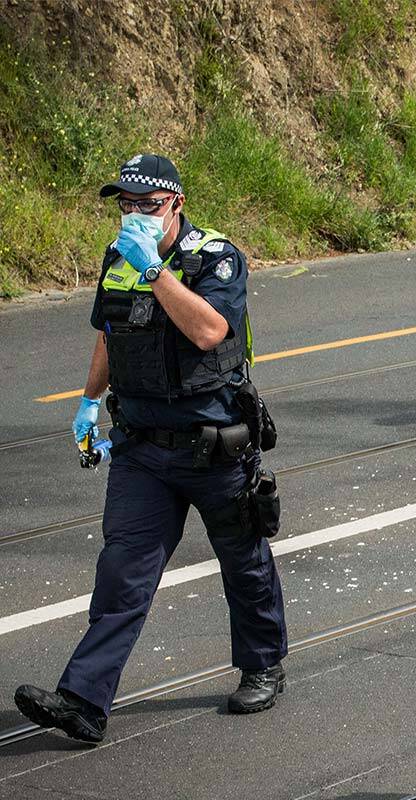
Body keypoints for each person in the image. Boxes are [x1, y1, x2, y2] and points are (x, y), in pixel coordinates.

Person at [13, 154, 287, 744]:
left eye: (149, 205)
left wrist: (155, 270)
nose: (136, 215)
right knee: (122, 572)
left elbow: (210, 331)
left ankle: (263, 665)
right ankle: (84, 701)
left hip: (213, 442)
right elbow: (110, 333)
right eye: (126, 205)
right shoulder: (118, 259)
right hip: (141, 447)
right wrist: (88, 403)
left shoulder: (214, 257)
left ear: (176, 205)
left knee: (244, 562)